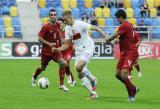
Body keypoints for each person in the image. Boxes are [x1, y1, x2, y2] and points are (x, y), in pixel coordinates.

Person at [52, 10, 107, 99]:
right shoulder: (67, 28)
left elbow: (96, 28)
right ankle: (92, 89)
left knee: (78, 67)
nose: (64, 22)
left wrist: (106, 36)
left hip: (88, 48)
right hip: (78, 51)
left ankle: (93, 90)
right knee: (80, 73)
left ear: (69, 17)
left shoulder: (80, 24)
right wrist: (57, 49)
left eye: (65, 20)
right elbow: (66, 44)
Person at [106, 9, 139, 102]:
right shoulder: (127, 25)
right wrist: (116, 41)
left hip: (131, 51)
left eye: (117, 18)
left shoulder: (124, 24)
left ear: (120, 17)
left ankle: (131, 96)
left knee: (124, 74)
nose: (117, 20)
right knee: (118, 74)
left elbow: (115, 34)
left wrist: (108, 38)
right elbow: (121, 37)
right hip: (124, 52)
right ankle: (134, 88)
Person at [32, 9, 68, 91]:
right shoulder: (45, 26)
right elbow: (39, 39)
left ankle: (61, 85)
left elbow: (58, 33)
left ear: (56, 16)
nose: (53, 16)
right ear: (49, 16)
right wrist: (49, 44)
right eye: (51, 15)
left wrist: (61, 43)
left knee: (63, 63)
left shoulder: (58, 25)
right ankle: (34, 76)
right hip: (46, 52)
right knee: (42, 68)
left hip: (56, 50)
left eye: (54, 15)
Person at [57, 18, 76, 86]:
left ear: (64, 24)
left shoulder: (68, 30)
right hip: (62, 51)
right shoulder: (57, 32)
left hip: (69, 50)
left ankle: (70, 78)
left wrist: (74, 44)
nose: (59, 25)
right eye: (58, 23)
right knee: (64, 65)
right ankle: (72, 79)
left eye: (60, 23)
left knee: (65, 62)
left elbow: (75, 37)